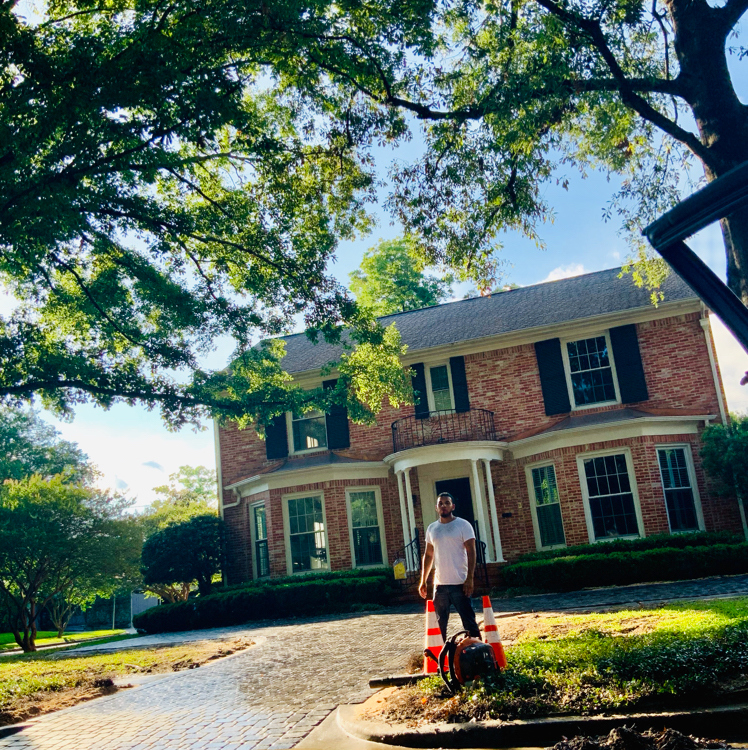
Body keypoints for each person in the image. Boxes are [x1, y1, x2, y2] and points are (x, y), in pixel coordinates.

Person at [418, 491, 481, 641]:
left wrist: (469, 578)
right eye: (440, 503)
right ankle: (440, 655)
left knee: (469, 623)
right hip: (440, 586)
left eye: (447, 503)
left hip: (460, 584)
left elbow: (471, 552)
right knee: (439, 626)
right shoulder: (432, 528)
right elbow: (428, 555)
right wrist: (423, 581)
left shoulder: (463, 525)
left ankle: (478, 652)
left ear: (453, 506)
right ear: (436, 508)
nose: (443, 506)